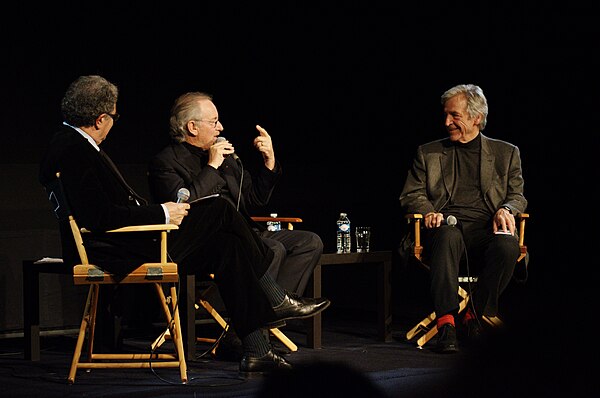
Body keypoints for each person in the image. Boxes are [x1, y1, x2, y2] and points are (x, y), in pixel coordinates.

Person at [38, 75, 330, 377]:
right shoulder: (74, 150)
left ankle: (258, 351)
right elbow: (100, 218)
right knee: (218, 208)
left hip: (130, 241)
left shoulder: (71, 144)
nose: (114, 123)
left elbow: (104, 211)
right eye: (114, 116)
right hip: (119, 248)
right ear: (100, 119)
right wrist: (161, 213)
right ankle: (275, 298)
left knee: (227, 244)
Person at [147, 92, 325, 360]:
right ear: (192, 127)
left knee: (309, 242)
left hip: (247, 232)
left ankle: (263, 314)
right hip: (207, 244)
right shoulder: (166, 162)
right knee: (273, 248)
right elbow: (184, 209)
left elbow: (253, 200)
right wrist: (212, 166)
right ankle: (257, 327)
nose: (221, 128)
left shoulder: (228, 158)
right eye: (214, 122)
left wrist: (269, 161)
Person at [398, 84, 527, 354]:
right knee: (448, 234)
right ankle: (446, 322)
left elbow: (517, 196)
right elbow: (411, 195)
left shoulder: (506, 153)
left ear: (476, 117)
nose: (447, 122)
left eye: (454, 116)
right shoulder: (428, 152)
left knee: (507, 246)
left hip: (485, 231)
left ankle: (474, 314)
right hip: (443, 229)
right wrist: (429, 211)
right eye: (445, 115)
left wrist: (507, 209)